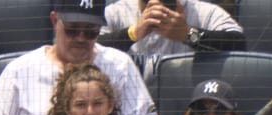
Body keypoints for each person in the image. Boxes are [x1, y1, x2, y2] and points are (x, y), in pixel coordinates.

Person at [0, 0, 154, 115]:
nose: (81, 38)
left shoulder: (120, 65)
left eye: (90, 31)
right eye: (72, 30)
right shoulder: (19, 70)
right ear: (54, 20)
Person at [98, 0, 244, 85]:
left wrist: (188, 34)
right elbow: (86, 46)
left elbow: (238, 42)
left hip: (184, 114)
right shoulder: (115, 13)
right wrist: (131, 33)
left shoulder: (203, 12)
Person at [47, 63, 119, 115]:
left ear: (110, 106)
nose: (90, 112)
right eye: (81, 105)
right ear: (68, 109)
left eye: (97, 103)